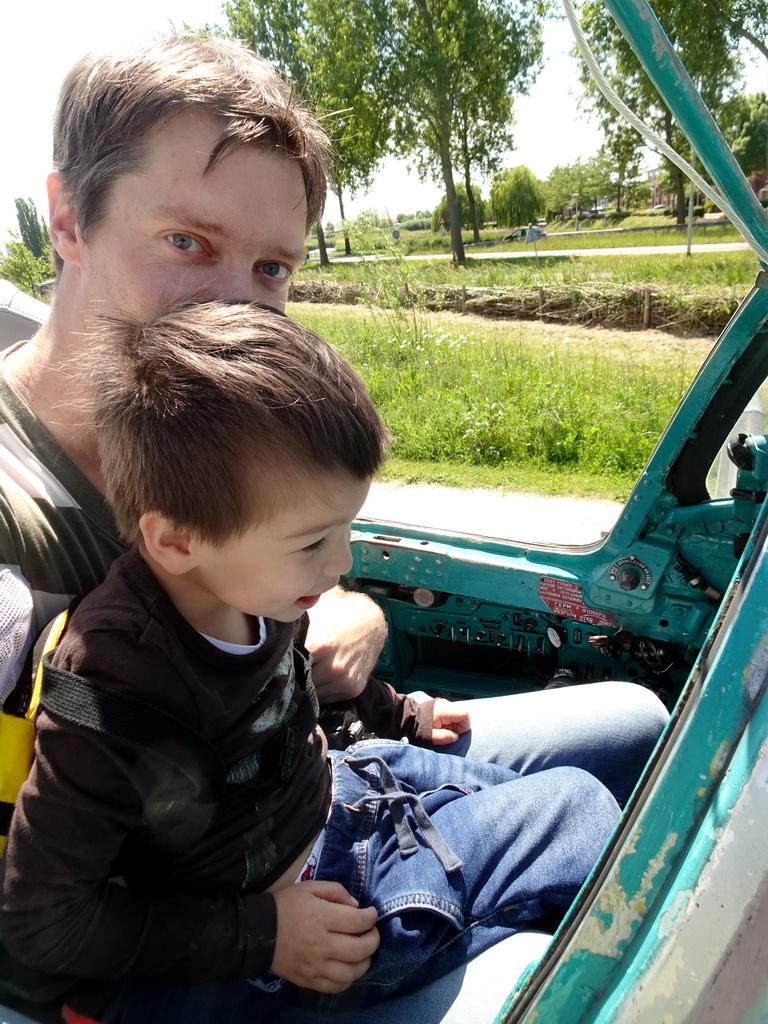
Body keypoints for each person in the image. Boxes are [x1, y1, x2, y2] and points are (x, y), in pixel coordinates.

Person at [0, 33, 667, 1020]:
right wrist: (260, 934)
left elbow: (290, 607)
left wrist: (342, 632)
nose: (237, 305)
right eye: (188, 242)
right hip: (209, 930)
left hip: (305, 780)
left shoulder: (236, 418)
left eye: (272, 267)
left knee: (638, 728)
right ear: (68, 219)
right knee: (555, 968)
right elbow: (44, 918)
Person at [0, 300, 621, 1024]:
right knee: (582, 811)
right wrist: (266, 938)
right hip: (284, 920)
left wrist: (399, 714)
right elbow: (40, 920)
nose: (343, 562)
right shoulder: (116, 692)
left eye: (347, 528)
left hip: (334, 794)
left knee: (614, 756)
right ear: (174, 541)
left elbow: (291, 686)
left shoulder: (250, 585)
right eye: (313, 542)